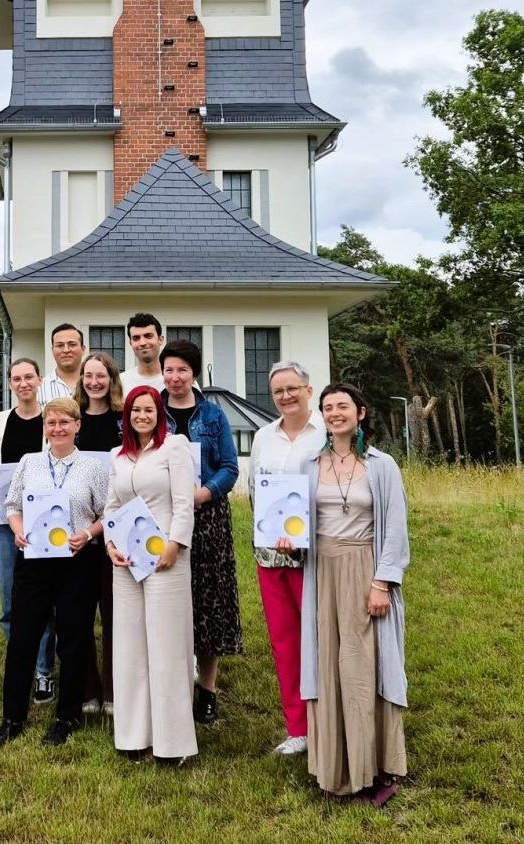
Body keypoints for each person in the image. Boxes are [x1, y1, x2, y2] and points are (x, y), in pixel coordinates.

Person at [298, 383, 409, 805]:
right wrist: (291, 539)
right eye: (327, 407)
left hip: (364, 571)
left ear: (360, 413)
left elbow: (396, 528)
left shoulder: (381, 466)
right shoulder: (311, 464)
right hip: (321, 571)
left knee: (361, 668)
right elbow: (295, 519)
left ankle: (370, 769)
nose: (334, 413)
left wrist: (382, 582)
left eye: (342, 406)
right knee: (327, 664)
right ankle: (334, 769)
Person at [0, 397, 109, 747]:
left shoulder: (92, 468)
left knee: (74, 639)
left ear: (77, 426)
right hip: (35, 560)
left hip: (77, 561)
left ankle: (66, 716)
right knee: (24, 637)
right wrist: (17, 528)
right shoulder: (29, 463)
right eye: (51, 423)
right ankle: (13, 717)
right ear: (45, 427)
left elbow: (106, 513)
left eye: (64, 423)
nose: (57, 429)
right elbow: (12, 505)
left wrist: (87, 534)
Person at [104, 386, 196, 764]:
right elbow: (112, 506)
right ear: (126, 416)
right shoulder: (118, 456)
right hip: (127, 561)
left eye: (148, 409)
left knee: (167, 649)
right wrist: (111, 544)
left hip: (165, 560)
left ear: (159, 412)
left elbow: (184, 502)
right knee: (129, 648)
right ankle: (133, 736)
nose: (142, 415)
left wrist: (175, 543)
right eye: (135, 410)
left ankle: (171, 743)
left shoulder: (175, 447)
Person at [158, 340, 241, 725]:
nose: (175, 378)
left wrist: (202, 494)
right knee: (168, 602)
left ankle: (207, 690)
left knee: (208, 605)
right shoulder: (150, 410)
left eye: (182, 370)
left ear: (194, 373)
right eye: (169, 370)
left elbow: (229, 466)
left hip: (207, 518)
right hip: (162, 518)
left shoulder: (213, 415)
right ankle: (171, 684)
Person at [248, 361, 325, 755]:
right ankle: (298, 728)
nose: (285, 396)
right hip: (270, 554)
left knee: (321, 638)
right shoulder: (263, 436)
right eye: (278, 391)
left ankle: (328, 723)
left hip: (315, 555)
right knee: (285, 640)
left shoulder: (326, 433)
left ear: (308, 390)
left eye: (292, 388)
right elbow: (253, 490)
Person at [0, 358, 56, 701]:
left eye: (29, 377)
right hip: (2, 524)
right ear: (10, 384)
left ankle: (43, 672)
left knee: (42, 600)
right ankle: (21, 664)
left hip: (43, 521)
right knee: (11, 600)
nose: (23, 383)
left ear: (39, 379)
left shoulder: (51, 420)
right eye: (16, 378)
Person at [74, 351, 124, 715]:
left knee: (113, 610)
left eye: (101, 376)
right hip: (78, 527)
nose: (94, 382)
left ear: (111, 379)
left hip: (117, 525)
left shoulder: (124, 420)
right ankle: (87, 688)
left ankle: (113, 690)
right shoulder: (71, 420)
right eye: (88, 376)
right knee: (79, 609)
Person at [37, 323, 84, 403]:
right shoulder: (39, 389)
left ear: (83, 349)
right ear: (52, 350)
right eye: (60, 345)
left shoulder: (95, 385)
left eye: (72, 344)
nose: (66, 350)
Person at [119, 313, 165, 393]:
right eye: (136, 338)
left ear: (160, 339)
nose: (142, 343)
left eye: (148, 336)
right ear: (131, 343)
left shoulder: (177, 381)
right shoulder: (121, 382)